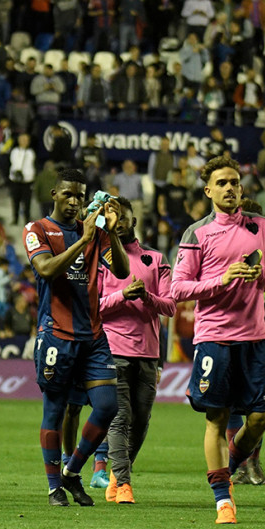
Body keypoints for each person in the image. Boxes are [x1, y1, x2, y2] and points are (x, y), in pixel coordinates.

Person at [171, 156, 265, 524]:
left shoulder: (261, 226)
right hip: (214, 339)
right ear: (208, 190)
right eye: (221, 183)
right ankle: (223, 499)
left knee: (260, 419)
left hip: (254, 339)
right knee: (217, 418)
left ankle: (230, 465)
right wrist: (221, 281)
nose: (229, 188)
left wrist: (262, 273)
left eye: (234, 182)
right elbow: (178, 288)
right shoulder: (197, 233)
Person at [23, 168, 129, 506]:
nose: (74, 201)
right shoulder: (37, 229)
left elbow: (124, 272)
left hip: (94, 336)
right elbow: (46, 269)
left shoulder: (95, 233)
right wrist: (84, 239)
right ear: (54, 194)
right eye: (68, 194)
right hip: (56, 335)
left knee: (108, 406)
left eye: (80, 196)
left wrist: (109, 234)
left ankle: (72, 471)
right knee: (54, 411)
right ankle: (55, 486)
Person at [98, 197, 175, 504]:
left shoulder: (155, 259)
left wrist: (147, 298)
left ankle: (117, 475)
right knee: (121, 417)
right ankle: (125, 484)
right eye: (112, 217)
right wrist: (122, 296)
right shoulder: (101, 259)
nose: (118, 222)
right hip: (112, 350)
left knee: (141, 421)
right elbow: (93, 308)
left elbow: (169, 306)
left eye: (123, 217)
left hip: (148, 353)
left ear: (132, 222)